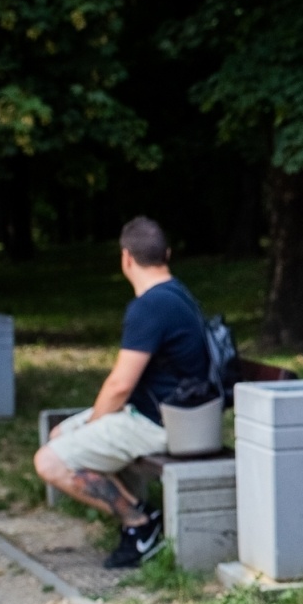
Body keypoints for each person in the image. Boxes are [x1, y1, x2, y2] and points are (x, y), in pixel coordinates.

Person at [34, 217, 211, 569]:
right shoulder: (178, 294)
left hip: (159, 424)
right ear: (167, 255)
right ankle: (140, 514)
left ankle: (139, 524)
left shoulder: (150, 306)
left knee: (50, 461)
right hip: (178, 415)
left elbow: (120, 386)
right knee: (60, 434)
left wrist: (93, 425)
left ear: (126, 258)